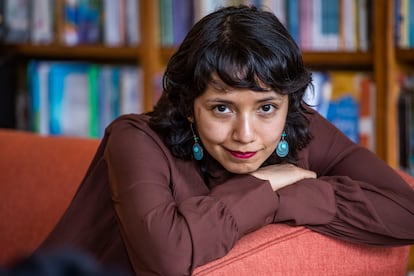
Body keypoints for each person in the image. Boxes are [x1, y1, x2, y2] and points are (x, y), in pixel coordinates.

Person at [36, 5, 414, 275]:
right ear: (189, 106)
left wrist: (291, 196)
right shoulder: (134, 138)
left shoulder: (297, 126)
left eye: (266, 107)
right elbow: (168, 259)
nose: (246, 134)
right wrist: (264, 185)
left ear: (289, 103)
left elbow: (406, 212)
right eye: (221, 108)